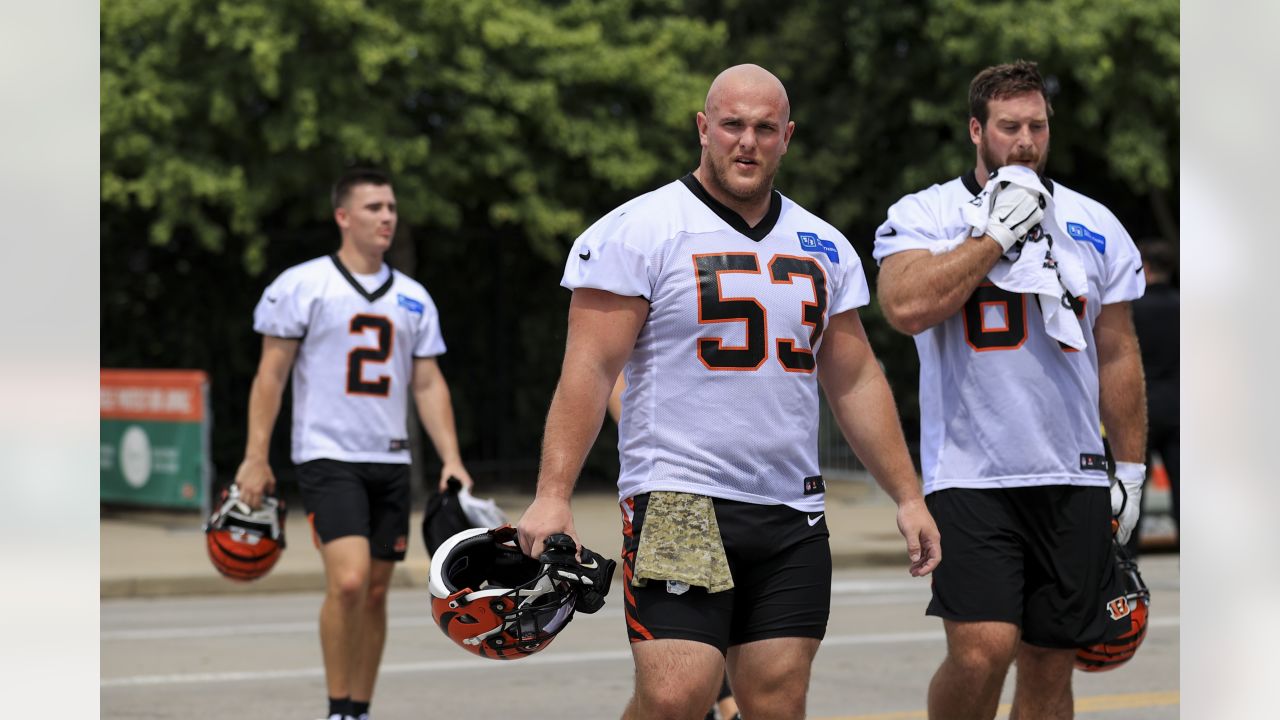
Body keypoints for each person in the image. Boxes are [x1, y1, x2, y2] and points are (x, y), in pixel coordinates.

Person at [517, 64, 940, 720]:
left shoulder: (823, 245)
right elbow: (590, 372)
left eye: (764, 128)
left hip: (788, 508)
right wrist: (552, 496)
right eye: (733, 125)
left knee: (774, 702)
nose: (748, 141)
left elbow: (854, 378)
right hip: (680, 497)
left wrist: (908, 497)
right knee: (676, 696)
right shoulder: (641, 229)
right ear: (703, 128)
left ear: (787, 137)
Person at [873, 60, 1147, 719]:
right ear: (976, 130)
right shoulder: (929, 213)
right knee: (981, 651)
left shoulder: (1093, 221)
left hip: (1072, 473)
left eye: (1036, 127)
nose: (1024, 141)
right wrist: (994, 235)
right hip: (970, 471)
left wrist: (1132, 471)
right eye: (1008, 127)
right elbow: (905, 307)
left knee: (1052, 665)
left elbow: (1117, 353)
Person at [234, 168, 473, 720]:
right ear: (343, 216)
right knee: (347, 581)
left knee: (374, 594)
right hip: (326, 455)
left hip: (389, 459)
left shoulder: (413, 297)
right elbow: (270, 375)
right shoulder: (303, 284)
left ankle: (359, 707)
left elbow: (428, 382)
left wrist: (452, 459)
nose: (386, 217)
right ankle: (338, 706)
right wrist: (255, 455)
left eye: (390, 207)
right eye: (373, 208)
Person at [609, 375, 741, 720]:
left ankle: (726, 704)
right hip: (677, 487)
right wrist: (657, 439)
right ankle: (726, 705)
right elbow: (608, 372)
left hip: (757, 485)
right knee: (673, 689)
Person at [1127, 237, 1179, 553]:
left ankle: (1127, 563)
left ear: (1144, 267)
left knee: (1133, 490)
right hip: (1181, 410)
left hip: (1139, 410)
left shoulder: (1131, 309)